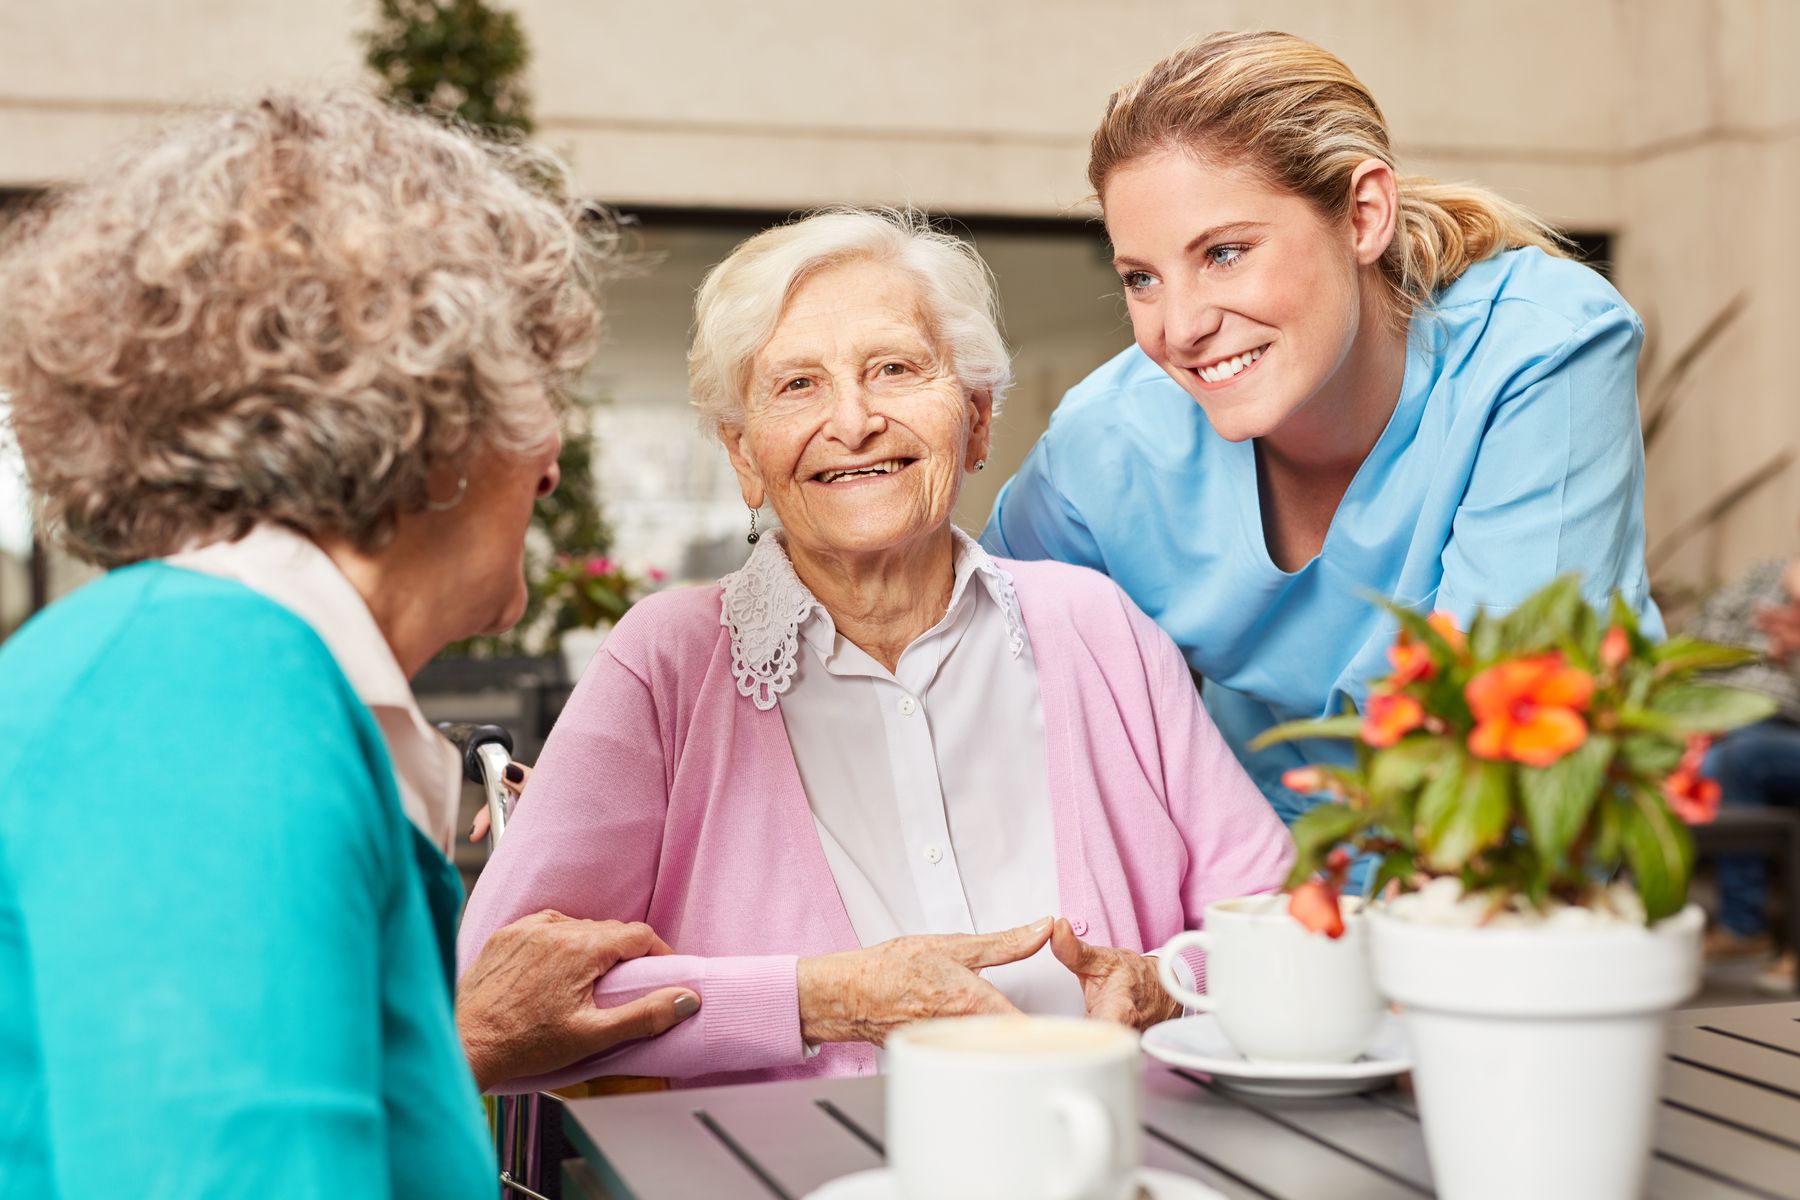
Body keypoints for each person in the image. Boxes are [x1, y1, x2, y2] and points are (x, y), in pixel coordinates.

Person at [0, 92, 698, 1197]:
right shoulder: (199, 706)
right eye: (533, 387)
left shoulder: (228, 673)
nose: (550, 460)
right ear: (428, 408)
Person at [457, 208, 1295, 1090]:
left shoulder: (1096, 624)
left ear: (975, 421)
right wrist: (830, 997)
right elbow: (502, 1012)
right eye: (798, 386)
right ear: (744, 458)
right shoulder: (668, 662)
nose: (854, 421)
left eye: (895, 368)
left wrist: (1164, 985)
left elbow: (1279, 924)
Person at [981, 30, 1664, 827]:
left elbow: (1505, 740)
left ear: (1364, 215)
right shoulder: (1110, 441)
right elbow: (968, 664)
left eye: (1226, 253)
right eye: (1142, 278)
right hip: (1253, 887)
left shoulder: (1539, 346)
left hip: (1512, 880)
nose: (1182, 326)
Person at [1691, 557, 1800, 992]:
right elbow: (1698, 640)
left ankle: (1741, 927)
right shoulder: (1761, 575)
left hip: (1779, 726)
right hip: (1713, 717)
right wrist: (1760, 648)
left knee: (1734, 759)